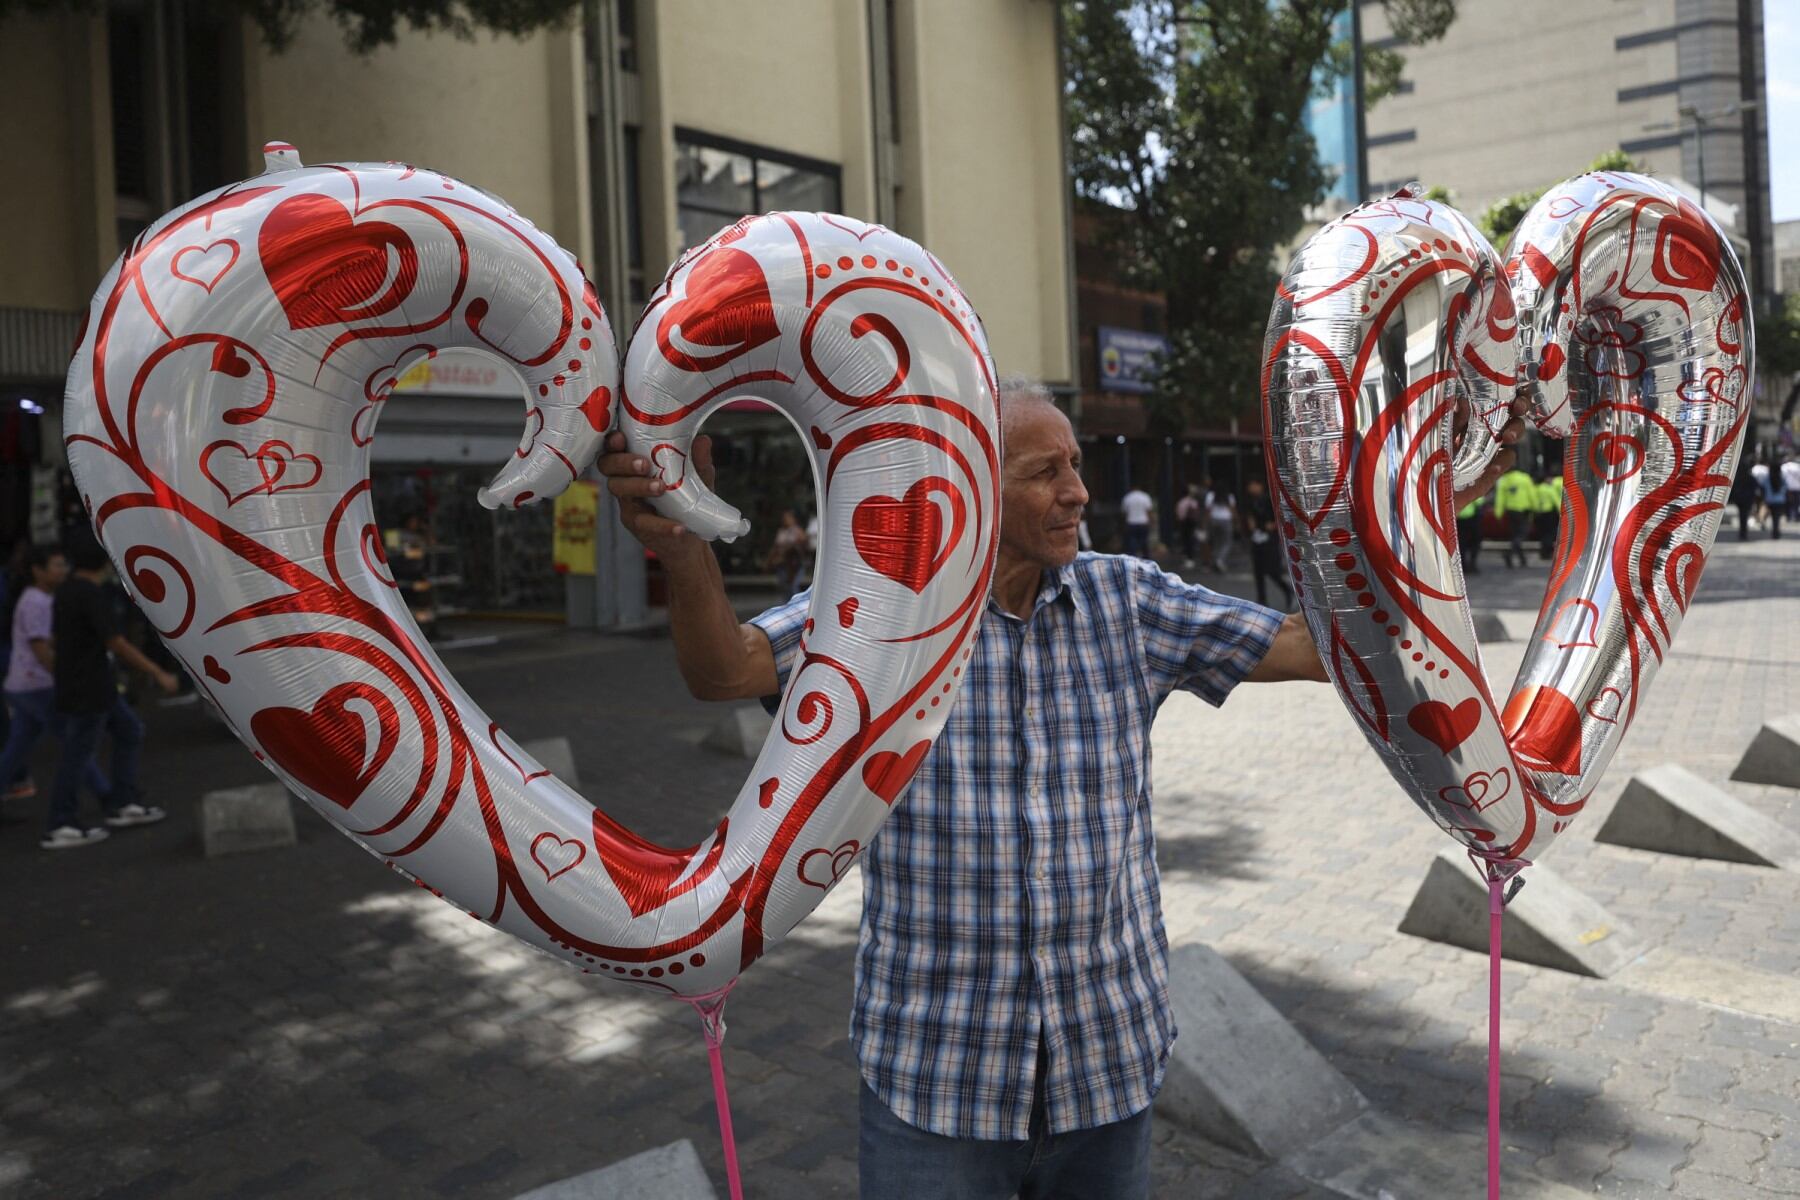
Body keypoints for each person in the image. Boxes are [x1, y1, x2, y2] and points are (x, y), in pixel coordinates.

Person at [598, 375, 1528, 1199]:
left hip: (1107, 1067)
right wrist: (683, 549)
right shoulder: (884, 608)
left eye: (1075, 465)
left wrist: (1413, 520)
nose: (1078, 491)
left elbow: (1305, 645)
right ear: (973, 481)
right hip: (937, 1077)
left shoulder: (1130, 600)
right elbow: (726, 670)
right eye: (1045, 472)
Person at [42, 535, 178, 849]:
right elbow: (115, 641)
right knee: (79, 753)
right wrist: (157, 672)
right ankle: (61, 821)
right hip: (91, 686)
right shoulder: (91, 594)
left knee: (128, 730)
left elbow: (56, 638)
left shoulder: (66, 590)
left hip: (85, 683)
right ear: (105, 561)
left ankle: (123, 802)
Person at [1240, 478, 1291, 610]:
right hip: (1257, 537)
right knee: (1258, 571)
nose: (1250, 488)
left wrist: (1273, 525)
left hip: (1270, 538)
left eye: (1252, 485)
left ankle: (1287, 590)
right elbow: (1249, 518)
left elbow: (1280, 516)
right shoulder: (1250, 501)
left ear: (1259, 485)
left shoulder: (1269, 499)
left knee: (1272, 570)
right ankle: (1261, 600)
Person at [1493, 464, 1536, 568]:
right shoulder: (1525, 478)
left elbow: (1500, 498)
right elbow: (1532, 493)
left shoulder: (1504, 480)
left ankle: (1522, 559)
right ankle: (1510, 553)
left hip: (1511, 511)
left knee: (1515, 535)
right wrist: (1535, 507)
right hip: (1524, 510)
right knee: (1522, 534)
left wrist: (1498, 513)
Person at [765, 508, 811, 598]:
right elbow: (775, 547)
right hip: (783, 564)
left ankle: (796, 604)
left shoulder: (798, 531)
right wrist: (769, 561)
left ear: (793, 519)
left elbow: (804, 544)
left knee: (793, 586)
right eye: (784, 518)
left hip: (795, 564)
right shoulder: (781, 531)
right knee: (784, 586)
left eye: (788, 518)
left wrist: (793, 545)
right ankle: (787, 604)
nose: (785, 520)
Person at [1203, 478, 1235, 573]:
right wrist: (1235, 521)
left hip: (1214, 520)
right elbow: (1232, 510)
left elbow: (1208, 511)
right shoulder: (1229, 496)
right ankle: (1220, 560)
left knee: (1216, 542)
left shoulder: (1211, 495)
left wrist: (1205, 523)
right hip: (1226, 520)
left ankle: (1216, 560)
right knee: (1227, 542)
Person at [1119, 483, 1153, 559]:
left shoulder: (1127, 498)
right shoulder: (1145, 496)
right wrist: (1151, 522)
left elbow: (1124, 513)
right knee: (1144, 543)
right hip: (1143, 522)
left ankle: (1133, 560)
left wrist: (1124, 523)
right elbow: (1149, 511)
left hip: (1131, 523)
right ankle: (1146, 559)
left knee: (1132, 544)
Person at [1533, 475, 1563, 561]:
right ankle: (1547, 552)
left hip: (1539, 514)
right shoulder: (1549, 489)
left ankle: (1543, 552)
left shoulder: (1536, 489)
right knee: (1550, 534)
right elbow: (1556, 501)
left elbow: (1533, 500)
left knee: (1543, 533)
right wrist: (1561, 513)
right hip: (1549, 514)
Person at [1455, 494, 1486, 575]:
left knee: (1461, 543)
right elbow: (1479, 501)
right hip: (1471, 518)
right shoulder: (1470, 487)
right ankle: (1472, 564)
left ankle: (1463, 566)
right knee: (1475, 542)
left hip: (1459, 518)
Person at [1729, 461, 1760, 540]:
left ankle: (1742, 532)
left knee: (1742, 515)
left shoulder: (1737, 478)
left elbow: (1733, 488)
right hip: (1747, 499)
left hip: (1739, 499)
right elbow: (1756, 487)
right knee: (1745, 515)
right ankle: (1744, 532)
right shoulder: (1750, 478)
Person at [1174, 484, 1202, 570]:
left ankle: (1187, 557)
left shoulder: (1181, 502)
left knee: (1185, 540)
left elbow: (1178, 514)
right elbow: (1196, 512)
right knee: (1190, 540)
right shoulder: (1192, 501)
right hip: (1191, 523)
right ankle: (1190, 558)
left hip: (1183, 523)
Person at [1760, 462, 1786, 541]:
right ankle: (1776, 532)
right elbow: (1786, 488)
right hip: (1780, 500)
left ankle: (1771, 530)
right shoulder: (1782, 479)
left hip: (1770, 500)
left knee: (1770, 516)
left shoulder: (1767, 478)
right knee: (1776, 517)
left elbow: (1763, 487)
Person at [1782, 454, 1800, 523]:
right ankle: (1796, 516)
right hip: (1796, 487)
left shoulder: (1783, 467)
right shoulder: (1797, 466)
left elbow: (1782, 477)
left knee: (1788, 502)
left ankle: (1788, 516)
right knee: (1796, 502)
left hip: (1787, 487)